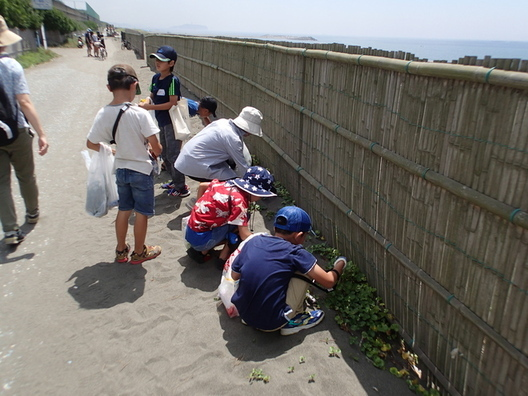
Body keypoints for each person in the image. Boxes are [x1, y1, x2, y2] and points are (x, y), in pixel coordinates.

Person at [86, 64, 163, 265]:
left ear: (108, 87)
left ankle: (121, 250)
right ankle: (139, 251)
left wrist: (112, 150)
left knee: (124, 209)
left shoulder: (103, 113)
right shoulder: (139, 113)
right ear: (134, 85)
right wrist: (155, 150)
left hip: (120, 169)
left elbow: (91, 143)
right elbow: (157, 147)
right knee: (142, 214)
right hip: (141, 170)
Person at [230, 206, 347, 335]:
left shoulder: (254, 241)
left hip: (245, 314)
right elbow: (329, 281)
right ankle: (295, 319)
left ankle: (255, 309)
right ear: (299, 236)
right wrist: (340, 265)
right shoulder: (295, 253)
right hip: (271, 323)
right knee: (305, 270)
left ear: (275, 228)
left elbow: (235, 275)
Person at [0, 15, 49, 245]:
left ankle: (9, 230)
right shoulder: (11, 66)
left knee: (1, 183)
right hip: (16, 130)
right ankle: (32, 213)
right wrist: (41, 133)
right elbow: (24, 102)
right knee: (26, 176)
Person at [185, 166, 276, 266]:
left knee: (240, 219)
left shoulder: (227, 184)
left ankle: (204, 252)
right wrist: (263, 244)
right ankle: (222, 258)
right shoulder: (239, 203)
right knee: (240, 226)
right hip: (201, 241)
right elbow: (244, 235)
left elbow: (202, 185)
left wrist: (198, 208)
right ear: (254, 192)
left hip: (191, 229)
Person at [138, 45, 190, 197]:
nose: (158, 62)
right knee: (165, 153)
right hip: (161, 122)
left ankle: (181, 188)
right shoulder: (155, 78)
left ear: (171, 63)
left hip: (172, 123)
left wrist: (149, 107)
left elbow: (172, 103)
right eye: (156, 59)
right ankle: (175, 182)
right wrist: (147, 101)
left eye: (162, 60)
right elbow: (152, 95)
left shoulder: (173, 81)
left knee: (174, 155)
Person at [174, 106, 263, 183]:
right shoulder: (233, 139)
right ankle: (206, 200)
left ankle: (205, 195)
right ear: (249, 130)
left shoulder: (222, 122)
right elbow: (243, 168)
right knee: (233, 182)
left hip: (185, 159)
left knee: (228, 170)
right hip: (193, 164)